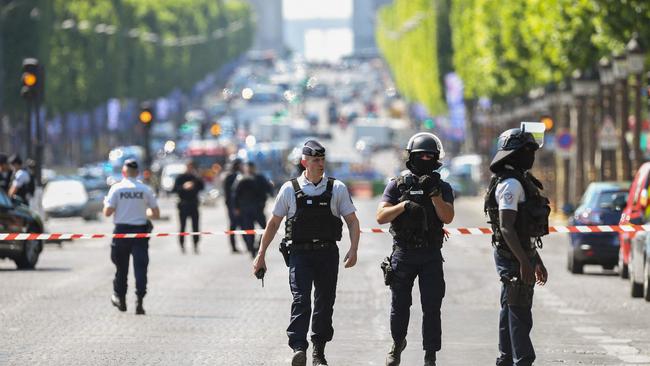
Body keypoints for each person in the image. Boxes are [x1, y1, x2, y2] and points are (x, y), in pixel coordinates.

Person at [252, 140, 360, 366]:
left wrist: (353, 248)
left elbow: (352, 221)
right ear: (304, 162)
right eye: (315, 160)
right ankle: (299, 348)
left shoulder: (337, 188)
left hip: (327, 254)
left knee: (324, 302)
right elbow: (273, 224)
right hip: (300, 254)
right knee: (301, 299)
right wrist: (261, 254)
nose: (320, 164)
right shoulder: (289, 189)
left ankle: (318, 353)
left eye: (322, 160)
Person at [376, 132, 455, 366]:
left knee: (432, 307)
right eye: (421, 156)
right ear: (411, 157)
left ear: (437, 158)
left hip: (431, 254)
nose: (425, 160)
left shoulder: (442, 187)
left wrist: (434, 196)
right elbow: (380, 216)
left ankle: (430, 355)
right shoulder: (397, 184)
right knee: (399, 305)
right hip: (404, 252)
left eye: (430, 156)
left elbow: (447, 217)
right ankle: (397, 345)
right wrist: (403, 205)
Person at [484, 127, 550, 366]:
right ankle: (523, 360)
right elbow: (507, 227)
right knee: (520, 312)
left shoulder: (519, 180)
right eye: (526, 150)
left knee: (509, 309)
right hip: (513, 257)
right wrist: (524, 261)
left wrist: (535, 259)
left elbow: (523, 231)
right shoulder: (511, 184)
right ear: (512, 154)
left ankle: (505, 360)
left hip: (520, 254)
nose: (531, 154)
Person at [103, 159, 160, 315]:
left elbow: (107, 212)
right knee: (140, 268)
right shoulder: (145, 189)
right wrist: (144, 212)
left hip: (121, 232)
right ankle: (139, 301)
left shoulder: (116, 189)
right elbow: (156, 213)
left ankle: (121, 299)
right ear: (137, 173)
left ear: (123, 172)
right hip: (140, 232)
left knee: (121, 268)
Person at [172, 160, 205, 254]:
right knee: (182, 226)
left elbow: (202, 187)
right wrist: (183, 187)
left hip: (194, 204)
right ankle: (182, 245)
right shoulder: (180, 177)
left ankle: (195, 245)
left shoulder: (195, 177)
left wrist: (196, 179)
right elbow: (174, 189)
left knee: (195, 227)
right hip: (183, 204)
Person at [232, 163, 262, 258]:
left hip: (257, 208)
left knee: (265, 228)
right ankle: (252, 249)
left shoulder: (258, 178)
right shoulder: (240, 179)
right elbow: (235, 194)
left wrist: (262, 204)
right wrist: (236, 207)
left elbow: (264, 191)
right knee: (249, 230)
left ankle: (257, 246)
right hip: (246, 209)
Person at [223, 158, 243, 253]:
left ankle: (248, 245)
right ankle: (233, 247)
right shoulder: (231, 177)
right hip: (233, 205)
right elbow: (228, 193)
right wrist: (232, 207)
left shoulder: (242, 175)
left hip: (241, 205)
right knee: (233, 226)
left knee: (244, 226)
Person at [248, 161, 274, 231]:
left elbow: (268, 187)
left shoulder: (259, 177)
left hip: (258, 206)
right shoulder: (244, 179)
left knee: (264, 228)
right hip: (248, 209)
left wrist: (271, 193)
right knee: (249, 230)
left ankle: (260, 242)